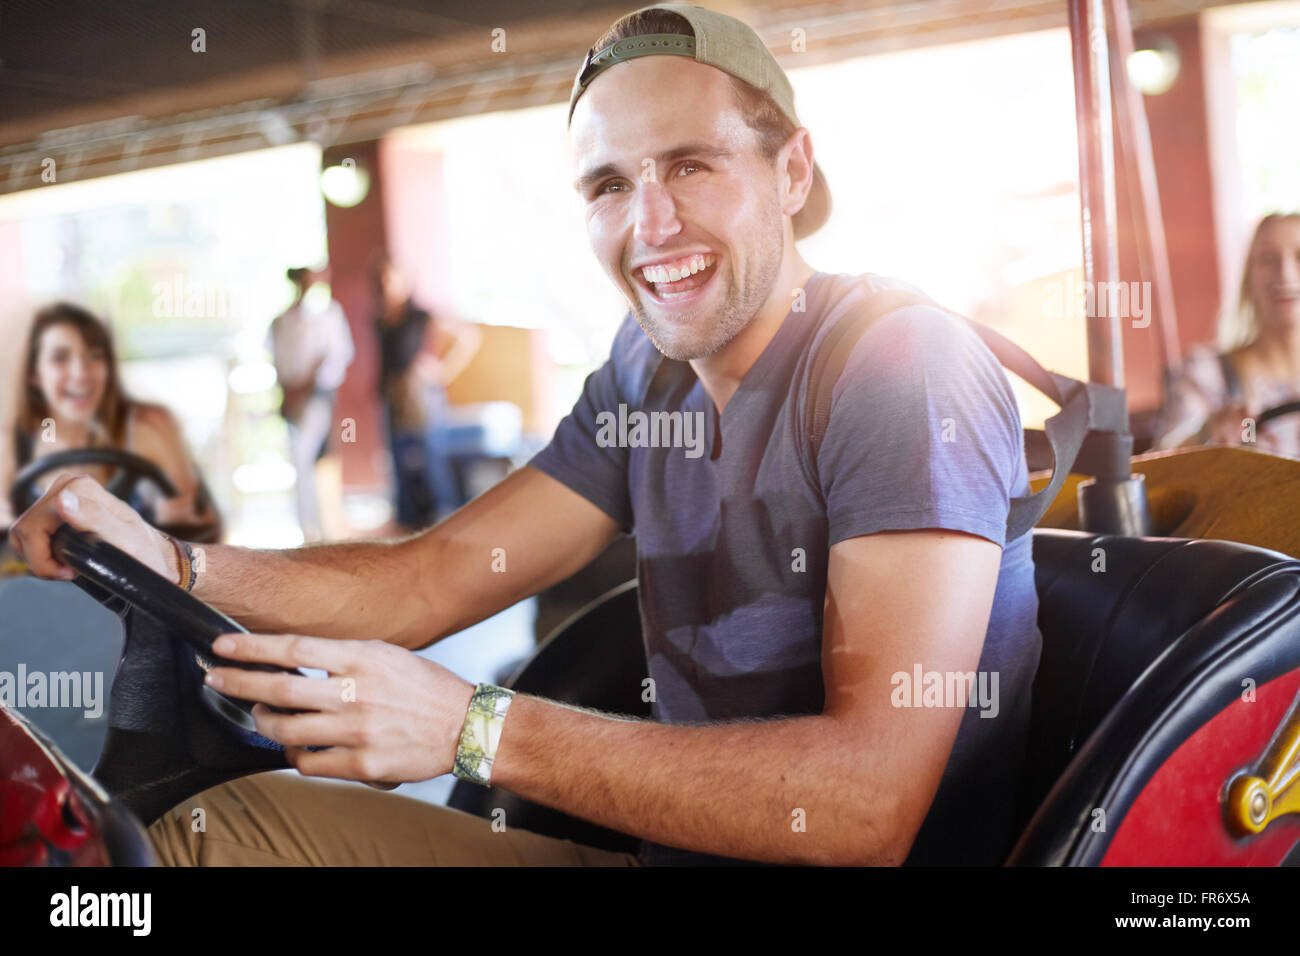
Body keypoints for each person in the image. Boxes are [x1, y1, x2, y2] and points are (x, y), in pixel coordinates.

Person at [11, 4, 1041, 867]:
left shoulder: (898, 369)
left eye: (690, 166)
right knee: (196, 838)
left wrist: (472, 727)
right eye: (608, 185)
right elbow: (422, 581)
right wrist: (172, 557)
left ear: (792, 170)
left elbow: (870, 804)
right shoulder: (651, 377)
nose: (651, 223)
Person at [0, 302, 217, 537]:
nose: (81, 373)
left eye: (94, 356)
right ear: (34, 374)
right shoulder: (14, 442)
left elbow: (199, 533)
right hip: (42, 574)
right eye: (60, 358)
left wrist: (179, 518)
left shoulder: (147, 425)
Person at [1152, 212, 1300, 455]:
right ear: (1248, 277)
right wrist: (1207, 434)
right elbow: (1165, 462)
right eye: (1268, 259)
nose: (1285, 274)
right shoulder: (1209, 373)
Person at [373, 254, 481, 529]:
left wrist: (443, 371)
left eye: (390, 277)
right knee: (399, 460)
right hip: (391, 395)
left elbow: (468, 336)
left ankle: (443, 517)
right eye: (382, 278)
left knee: (430, 456)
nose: (386, 284)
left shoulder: (421, 316)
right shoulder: (381, 318)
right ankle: (408, 521)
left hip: (420, 394)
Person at [269, 265, 354, 542]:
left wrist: (307, 386)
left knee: (312, 459)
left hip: (317, 398)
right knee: (300, 460)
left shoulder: (328, 315)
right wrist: (289, 391)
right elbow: (279, 360)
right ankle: (309, 530)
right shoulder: (282, 321)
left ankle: (325, 528)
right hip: (292, 400)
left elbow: (337, 357)